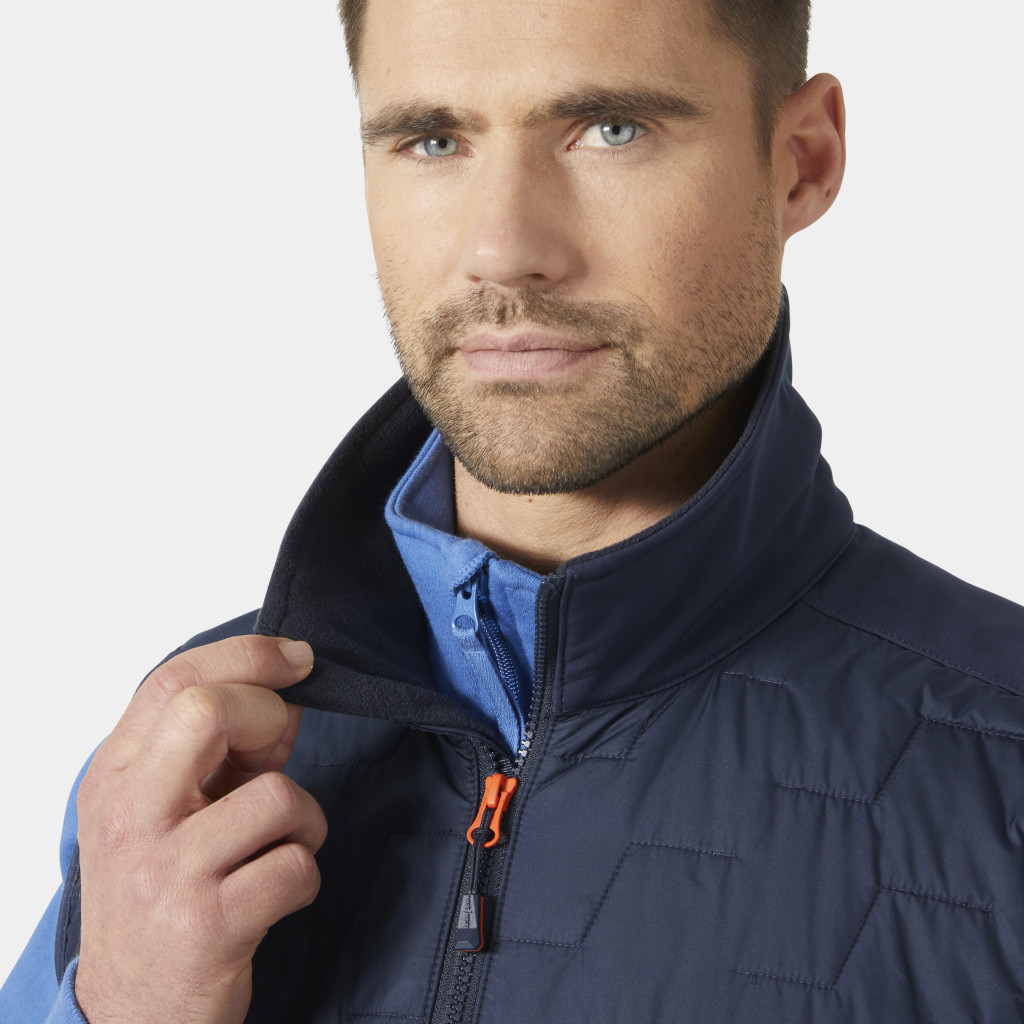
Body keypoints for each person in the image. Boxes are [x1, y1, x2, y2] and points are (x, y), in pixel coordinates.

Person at [3, 0, 1024, 1021]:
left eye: (611, 130)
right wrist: (122, 1003)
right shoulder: (185, 756)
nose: (502, 249)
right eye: (432, 139)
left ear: (801, 160)